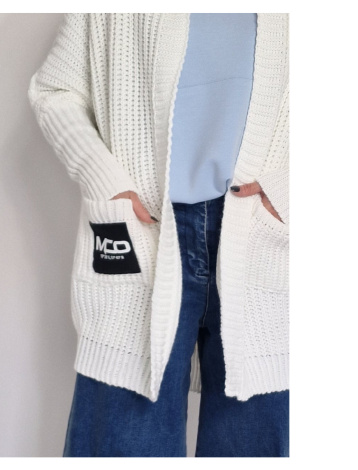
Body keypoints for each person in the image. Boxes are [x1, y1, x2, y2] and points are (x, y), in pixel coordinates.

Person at [28, 13, 289, 457]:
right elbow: (55, 90)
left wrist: (288, 187)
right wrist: (104, 179)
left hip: (265, 237)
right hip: (144, 227)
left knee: (258, 442)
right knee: (123, 438)